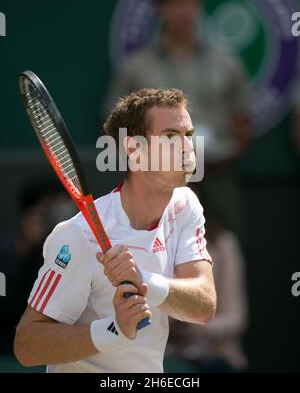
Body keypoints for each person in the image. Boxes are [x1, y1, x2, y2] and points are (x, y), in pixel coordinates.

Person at [14, 88, 216, 373]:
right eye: (170, 137)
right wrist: (113, 330)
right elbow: (27, 345)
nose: (187, 148)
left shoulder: (184, 206)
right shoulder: (77, 236)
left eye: (188, 136)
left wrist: (144, 281)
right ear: (134, 150)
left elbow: (204, 306)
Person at [106, 0, 251, 237]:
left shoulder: (226, 62)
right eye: (176, 2)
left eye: (191, 1)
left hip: (219, 175)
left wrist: (217, 161)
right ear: (160, 6)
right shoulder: (137, 67)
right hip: (157, 180)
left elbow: (243, 122)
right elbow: (116, 129)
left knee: (227, 248)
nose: (185, 10)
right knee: (162, 252)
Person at [166, 190, 248, 373]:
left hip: (214, 358)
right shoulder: (155, 244)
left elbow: (236, 318)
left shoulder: (222, 244)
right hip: (166, 358)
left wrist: (196, 327)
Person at [0, 179, 75, 354]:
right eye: (44, 214)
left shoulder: (71, 256)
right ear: (28, 216)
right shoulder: (5, 256)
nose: (50, 220)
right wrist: (27, 250)